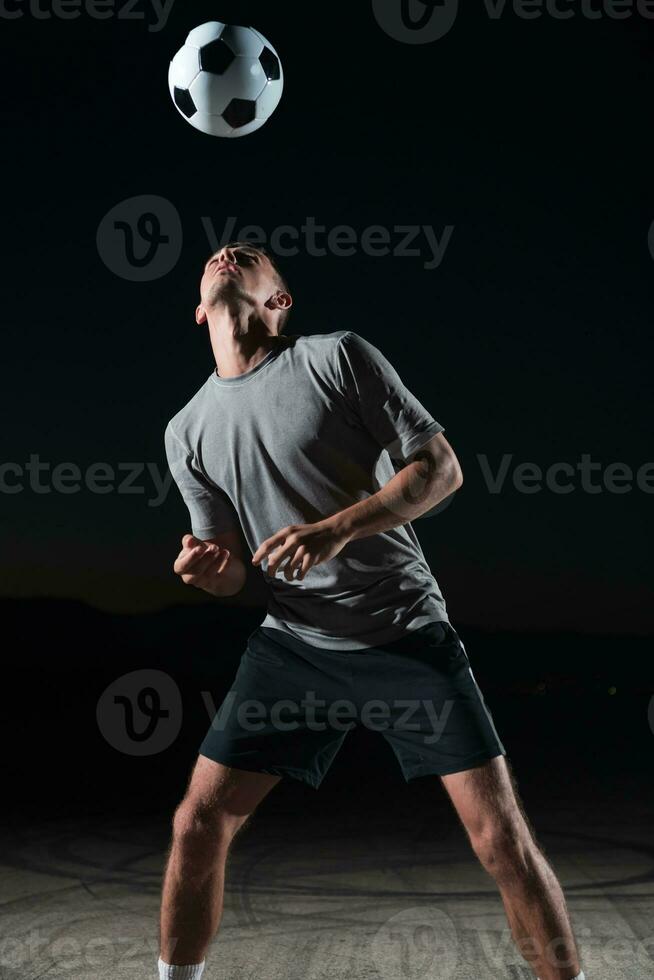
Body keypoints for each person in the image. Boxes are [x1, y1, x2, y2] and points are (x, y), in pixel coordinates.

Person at [160, 242, 585, 980]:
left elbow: (442, 469)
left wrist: (335, 530)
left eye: (252, 256)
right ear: (200, 311)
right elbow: (230, 573)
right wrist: (210, 572)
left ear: (278, 302)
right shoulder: (186, 430)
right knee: (198, 823)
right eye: (218, 255)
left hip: (403, 634)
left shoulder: (335, 358)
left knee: (498, 839)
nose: (230, 253)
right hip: (293, 645)